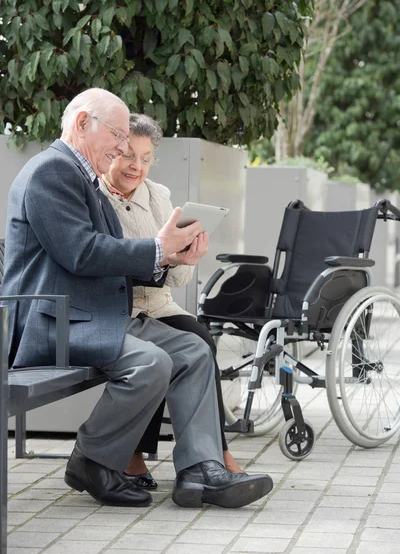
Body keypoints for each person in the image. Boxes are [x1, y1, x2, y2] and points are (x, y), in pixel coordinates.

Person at [2, 88, 273, 509]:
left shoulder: (83, 178)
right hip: (54, 321)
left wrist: (169, 258)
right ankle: (91, 459)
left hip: (93, 312)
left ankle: (201, 470)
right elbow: (82, 251)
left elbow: (107, 256)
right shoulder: (50, 172)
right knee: (151, 362)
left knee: (192, 348)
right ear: (81, 124)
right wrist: (156, 249)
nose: (124, 147)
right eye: (117, 134)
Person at [99, 113, 243, 488]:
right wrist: (159, 254)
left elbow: (175, 279)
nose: (136, 166)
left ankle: (213, 453)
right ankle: (133, 453)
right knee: (162, 351)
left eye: (146, 158)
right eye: (129, 155)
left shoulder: (159, 197)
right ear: (112, 151)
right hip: (119, 307)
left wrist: (186, 259)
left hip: (158, 303)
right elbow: (103, 260)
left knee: (199, 339)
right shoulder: (94, 195)